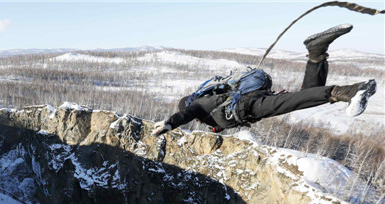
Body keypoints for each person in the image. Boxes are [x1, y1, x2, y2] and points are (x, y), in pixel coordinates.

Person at [152, 24, 377, 136]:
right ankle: (316, 53)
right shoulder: (211, 111)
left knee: (298, 101)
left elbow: (186, 114)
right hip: (254, 102)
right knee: (304, 96)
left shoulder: (197, 107)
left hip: (254, 106)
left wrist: (171, 123)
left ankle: (351, 91)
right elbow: (218, 123)